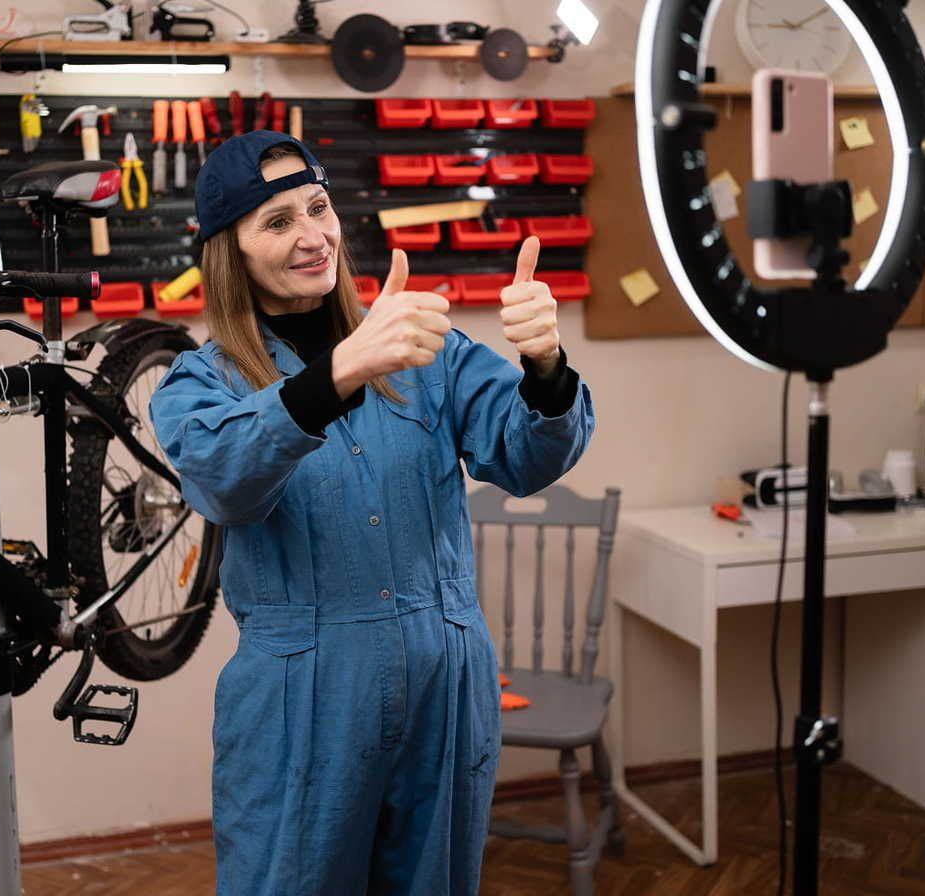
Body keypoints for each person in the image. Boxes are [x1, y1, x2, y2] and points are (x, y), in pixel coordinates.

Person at [150, 130, 596, 895]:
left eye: (318, 208)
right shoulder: (198, 384)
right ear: (234, 252)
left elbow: (529, 456)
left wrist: (547, 368)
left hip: (446, 679)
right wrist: (347, 367)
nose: (313, 235)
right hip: (303, 700)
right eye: (277, 221)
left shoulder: (430, 350)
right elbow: (224, 479)